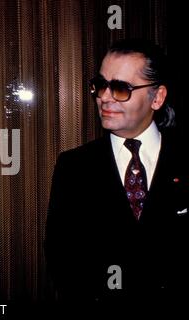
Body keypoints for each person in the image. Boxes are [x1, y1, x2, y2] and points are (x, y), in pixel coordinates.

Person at [46, 39, 188, 302]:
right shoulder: (74, 167)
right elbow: (61, 257)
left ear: (156, 97)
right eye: (101, 85)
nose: (105, 97)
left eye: (121, 88)